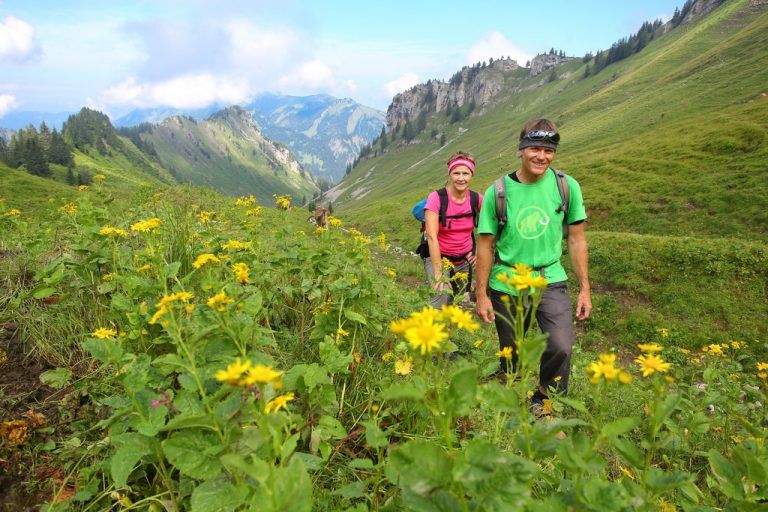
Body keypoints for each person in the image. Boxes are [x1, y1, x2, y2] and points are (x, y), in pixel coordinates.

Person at [475, 119, 591, 413]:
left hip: (549, 278)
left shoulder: (567, 186)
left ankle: (545, 403)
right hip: (508, 280)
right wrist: (481, 294)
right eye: (535, 149)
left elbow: (577, 240)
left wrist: (585, 289)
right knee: (511, 348)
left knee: (561, 345)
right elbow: (486, 245)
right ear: (521, 150)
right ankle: (509, 392)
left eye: (549, 150)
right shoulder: (498, 191)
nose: (542, 156)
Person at [423, 151, 483, 309]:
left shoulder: (477, 199)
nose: (461, 178)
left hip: (464, 259)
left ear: (472, 175)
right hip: (439, 257)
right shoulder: (436, 198)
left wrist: (478, 253)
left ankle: (450, 333)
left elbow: (493, 227)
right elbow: (431, 236)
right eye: (456, 173)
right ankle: (429, 331)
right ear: (450, 174)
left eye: (465, 173)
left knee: (459, 301)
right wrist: (438, 271)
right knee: (441, 294)